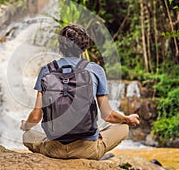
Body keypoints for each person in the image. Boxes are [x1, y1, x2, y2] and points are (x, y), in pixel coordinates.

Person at [20, 24, 140, 160]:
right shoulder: (95, 70)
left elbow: (36, 116)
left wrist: (25, 125)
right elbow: (108, 116)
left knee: (27, 135)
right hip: (86, 150)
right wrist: (128, 119)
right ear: (84, 47)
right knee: (123, 127)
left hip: (54, 149)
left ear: (60, 46)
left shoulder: (46, 70)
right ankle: (96, 145)